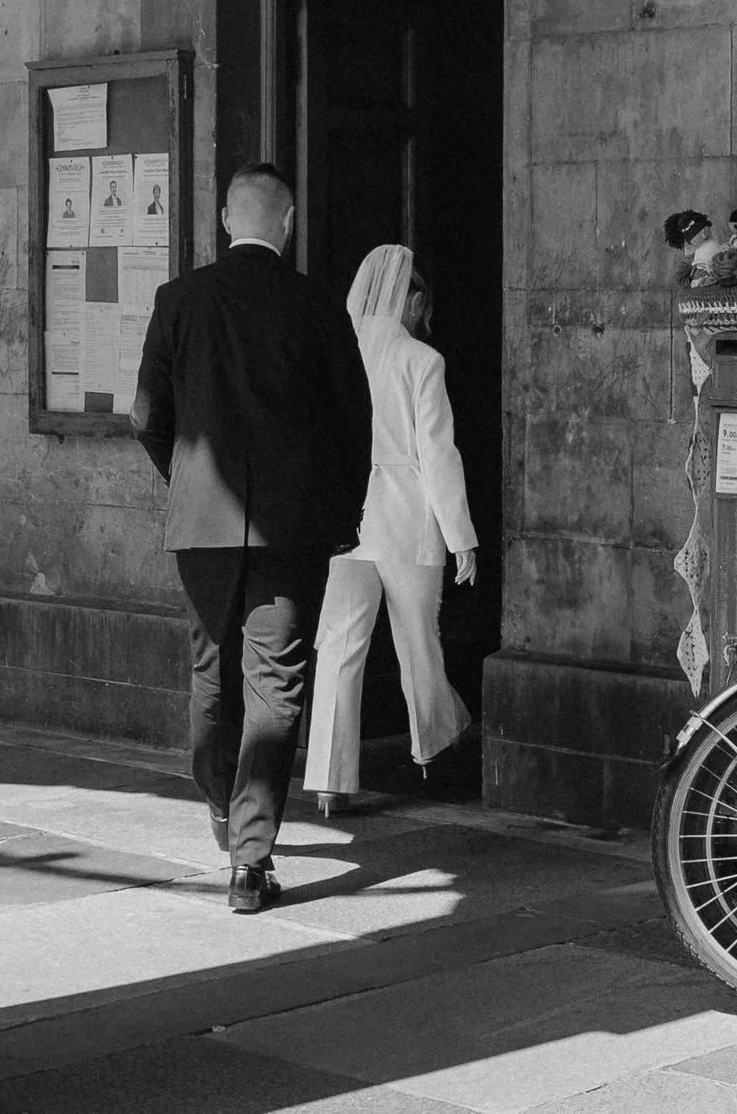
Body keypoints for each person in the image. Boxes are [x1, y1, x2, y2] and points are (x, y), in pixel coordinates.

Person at [132, 164, 371, 913]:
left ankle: (219, 800)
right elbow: (353, 420)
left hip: (201, 524)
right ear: (289, 220)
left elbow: (146, 414)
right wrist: (343, 510)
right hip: (292, 526)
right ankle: (251, 855)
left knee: (210, 671)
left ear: (228, 221)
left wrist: (187, 479)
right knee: (277, 680)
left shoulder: (180, 299)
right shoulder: (315, 303)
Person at [303, 245, 479, 815]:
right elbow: (438, 454)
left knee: (338, 646)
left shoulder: (337, 348)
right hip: (407, 519)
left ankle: (329, 780)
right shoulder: (421, 360)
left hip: (347, 518)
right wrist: (462, 537)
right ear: (414, 299)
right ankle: (431, 748)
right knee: (417, 640)